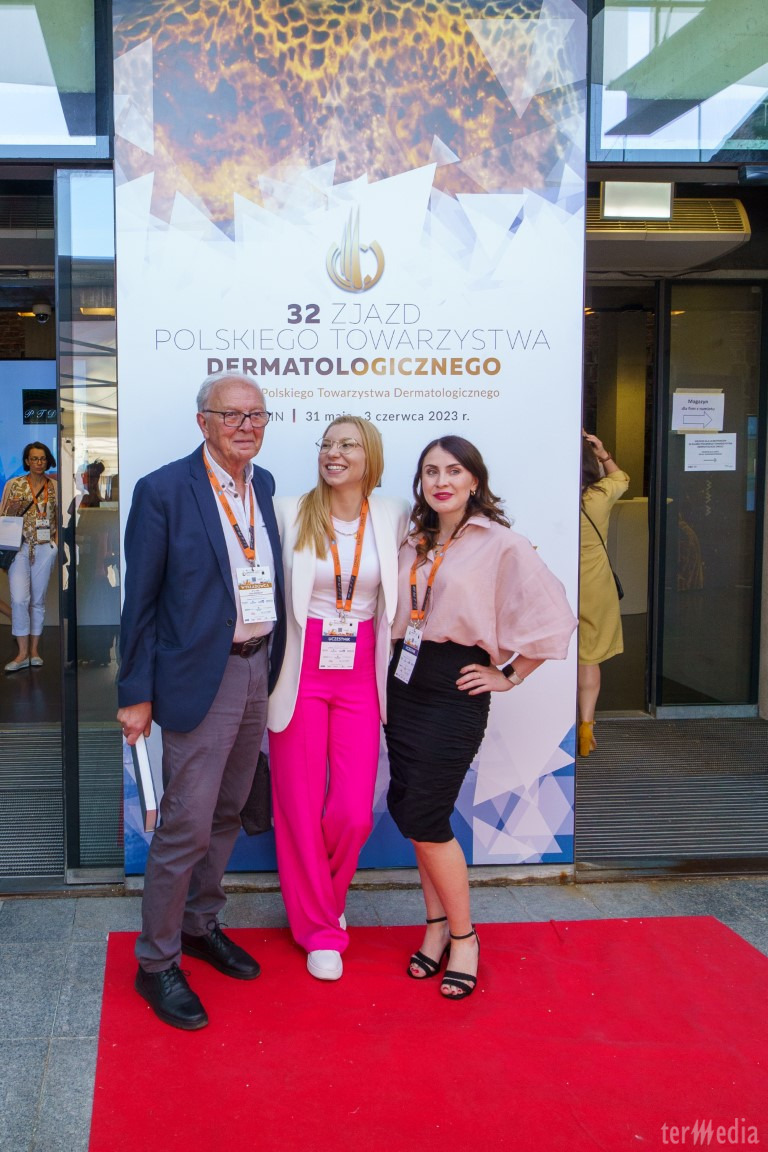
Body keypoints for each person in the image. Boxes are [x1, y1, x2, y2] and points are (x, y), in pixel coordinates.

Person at [117, 371, 286, 1030]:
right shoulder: (163, 490)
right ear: (203, 422)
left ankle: (198, 923)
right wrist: (135, 693)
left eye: (257, 415)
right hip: (198, 679)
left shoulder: (262, 486)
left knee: (228, 811)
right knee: (186, 824)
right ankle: (156, 962)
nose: (247, 426)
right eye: (232, 414)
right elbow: (140, 602)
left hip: (255, 668)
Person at [385, 436, 576, 1000]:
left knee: (426, 812)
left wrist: (510, 674)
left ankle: (464, 938)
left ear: (474, 480)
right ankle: (435, 927)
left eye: (453, 470)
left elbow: (555, 617)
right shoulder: (412, 540)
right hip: (402, 681)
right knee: (411, 808)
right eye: (430, 471)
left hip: (455, 687)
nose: (441, 481)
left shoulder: (502, 544)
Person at [268, 417, 408, 981]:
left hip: (359, 673)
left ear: (369, 455)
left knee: (351, 810)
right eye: (327, 443)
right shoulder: (288, 511)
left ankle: (322, 898)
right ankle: (320, 930)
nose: (334, 452)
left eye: (347, 444)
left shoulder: (394, 514)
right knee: (298, 806)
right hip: (300, 671)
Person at [577, 432, 629, 757]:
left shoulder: (553, 496)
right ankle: (586, 726)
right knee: (589, 658)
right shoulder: (600, 494)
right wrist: (603, 453)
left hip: (559, 582)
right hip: (595, 586)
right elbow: (622, 478)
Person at [0, 442, 58, 673]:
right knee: (19, 599)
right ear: (27, 461)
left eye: (42, 458)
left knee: (38, 600)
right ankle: (22, 653)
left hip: (44, 546)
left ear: (47, 460)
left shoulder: (54, 486)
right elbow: (4, 515)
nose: (38, 463)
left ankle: (34, 651)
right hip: (19, 546)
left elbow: (60, 516)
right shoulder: (14, 485)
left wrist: (54, 544)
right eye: (34, 458)